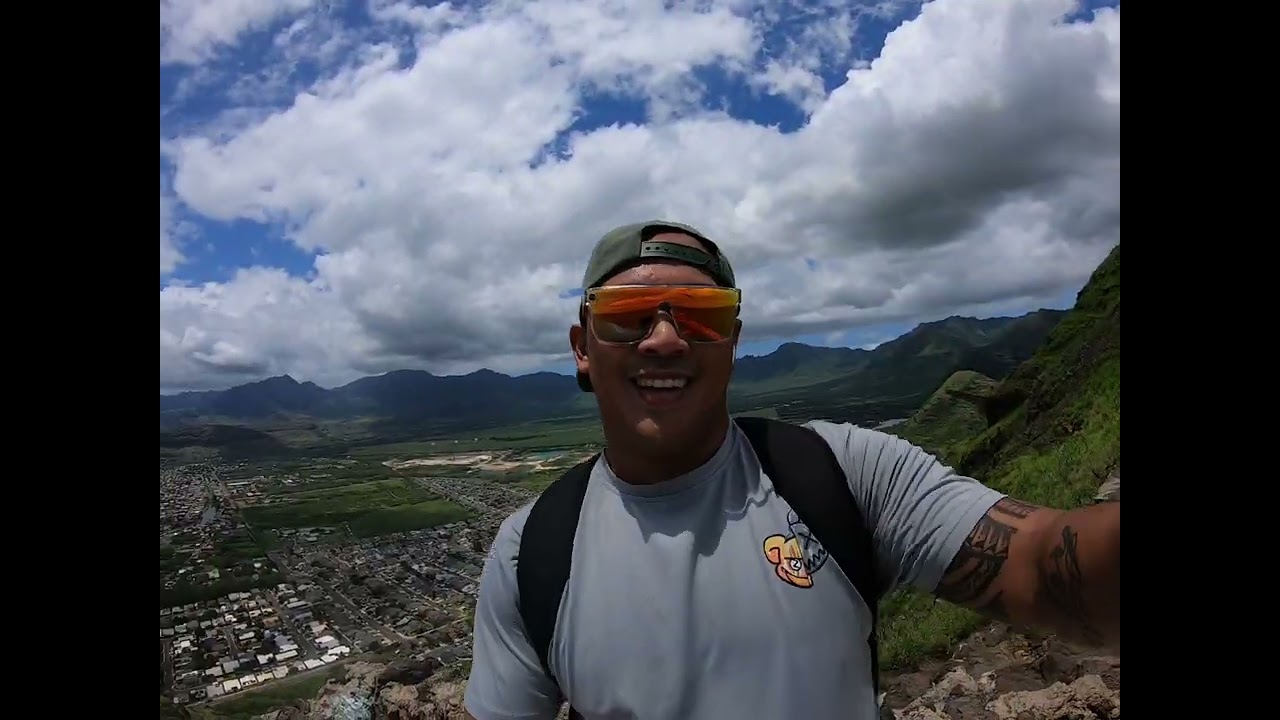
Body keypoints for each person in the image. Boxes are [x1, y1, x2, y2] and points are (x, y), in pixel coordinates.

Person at [462, 220, 1121, 720]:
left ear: (735, 340)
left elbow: (1038, 562)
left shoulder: (845, 472)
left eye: (702, 316)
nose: (665, 338)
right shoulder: (531, 555)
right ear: (583, 348)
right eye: (628, 317)